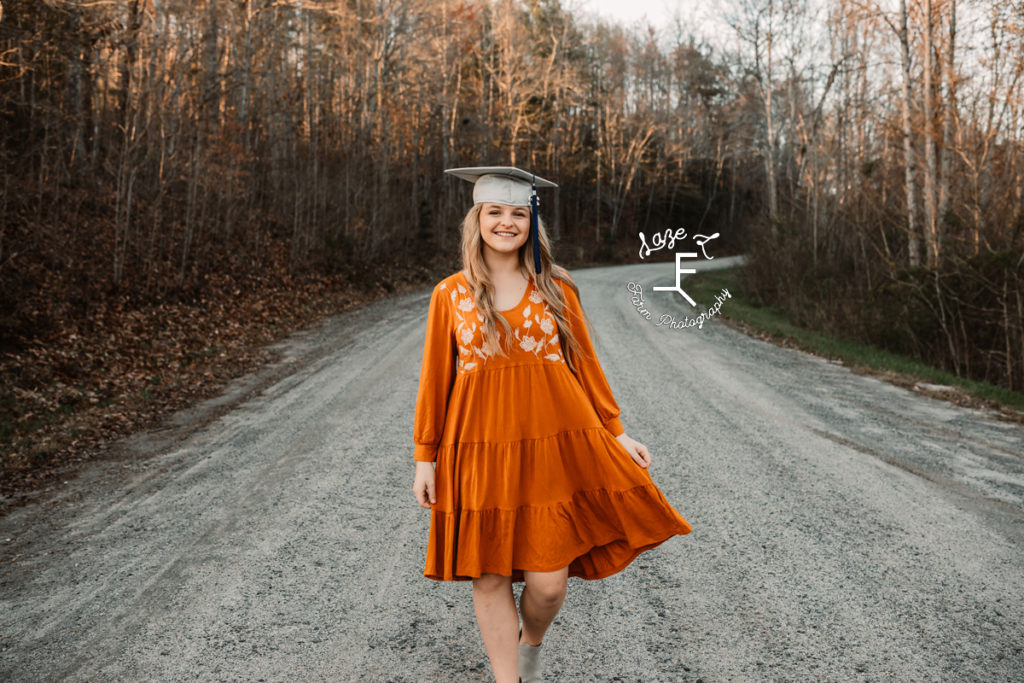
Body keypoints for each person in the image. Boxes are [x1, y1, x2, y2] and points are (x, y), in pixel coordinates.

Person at [412, 166, 692, 683]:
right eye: (494, 212)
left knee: (547, 584)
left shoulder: (556, 286)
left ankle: (529, 645)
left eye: (518, 213)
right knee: (489, 575)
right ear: (477, 221)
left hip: (550, 452)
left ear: (531, 223)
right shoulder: (449, 295)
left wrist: (615, 430)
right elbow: (434, 382)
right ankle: (508, 679)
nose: (506, 223)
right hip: (476, 449)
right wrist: (425, 459)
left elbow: (585, 364)